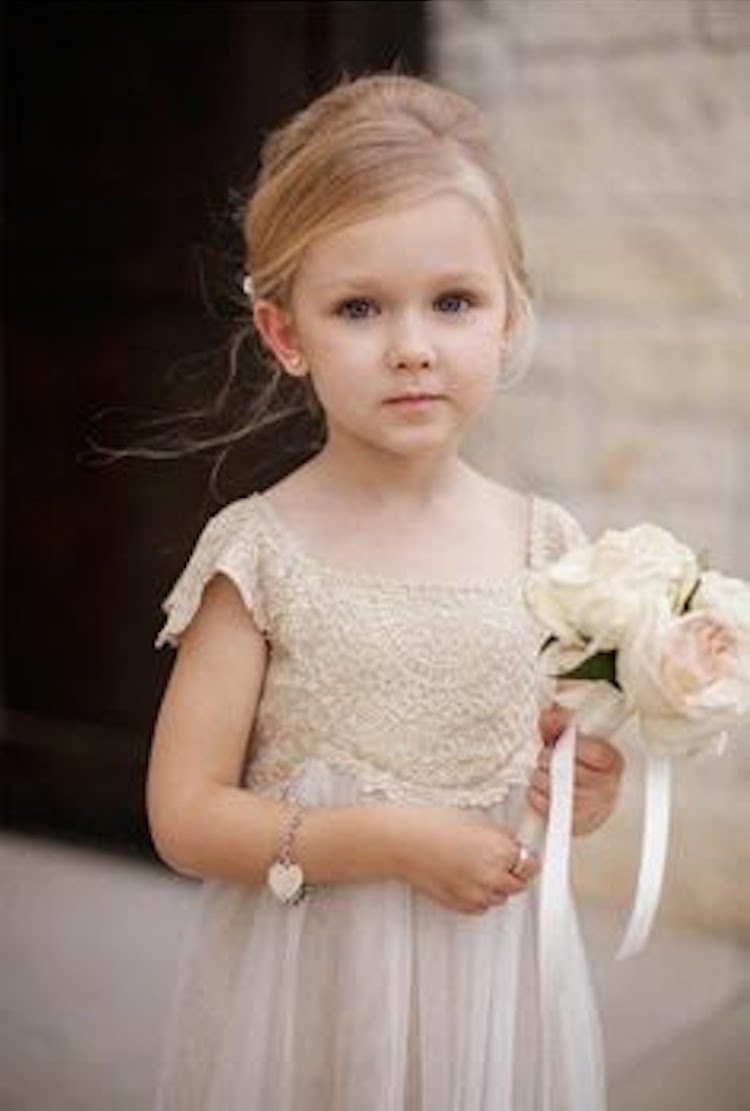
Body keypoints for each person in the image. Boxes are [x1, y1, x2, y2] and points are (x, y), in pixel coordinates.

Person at [146, 71, 624, 1111]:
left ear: (508, 317)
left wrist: (583, 790)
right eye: (359, 307)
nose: (412, 344)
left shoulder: (551, 551)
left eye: (454, 301)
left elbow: (546, 775)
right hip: (312, 980)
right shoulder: (261, 554)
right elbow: (183, 815)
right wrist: (394, 842)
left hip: (490, 988)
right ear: (286, 335)